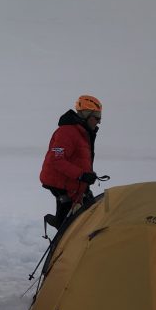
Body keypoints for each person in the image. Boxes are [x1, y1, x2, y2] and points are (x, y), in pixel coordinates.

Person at [39, 95, 102, 230]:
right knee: (69, 226)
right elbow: (56, 159)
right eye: (96, 118)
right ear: (86, 115)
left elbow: (79, 159)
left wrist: (87, 175)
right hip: (61, 183)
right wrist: (81, 175)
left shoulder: (83, 132)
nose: (99, 122)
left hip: (74, 183)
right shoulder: (67, 132)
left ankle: (59, 223)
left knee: (87, 215)